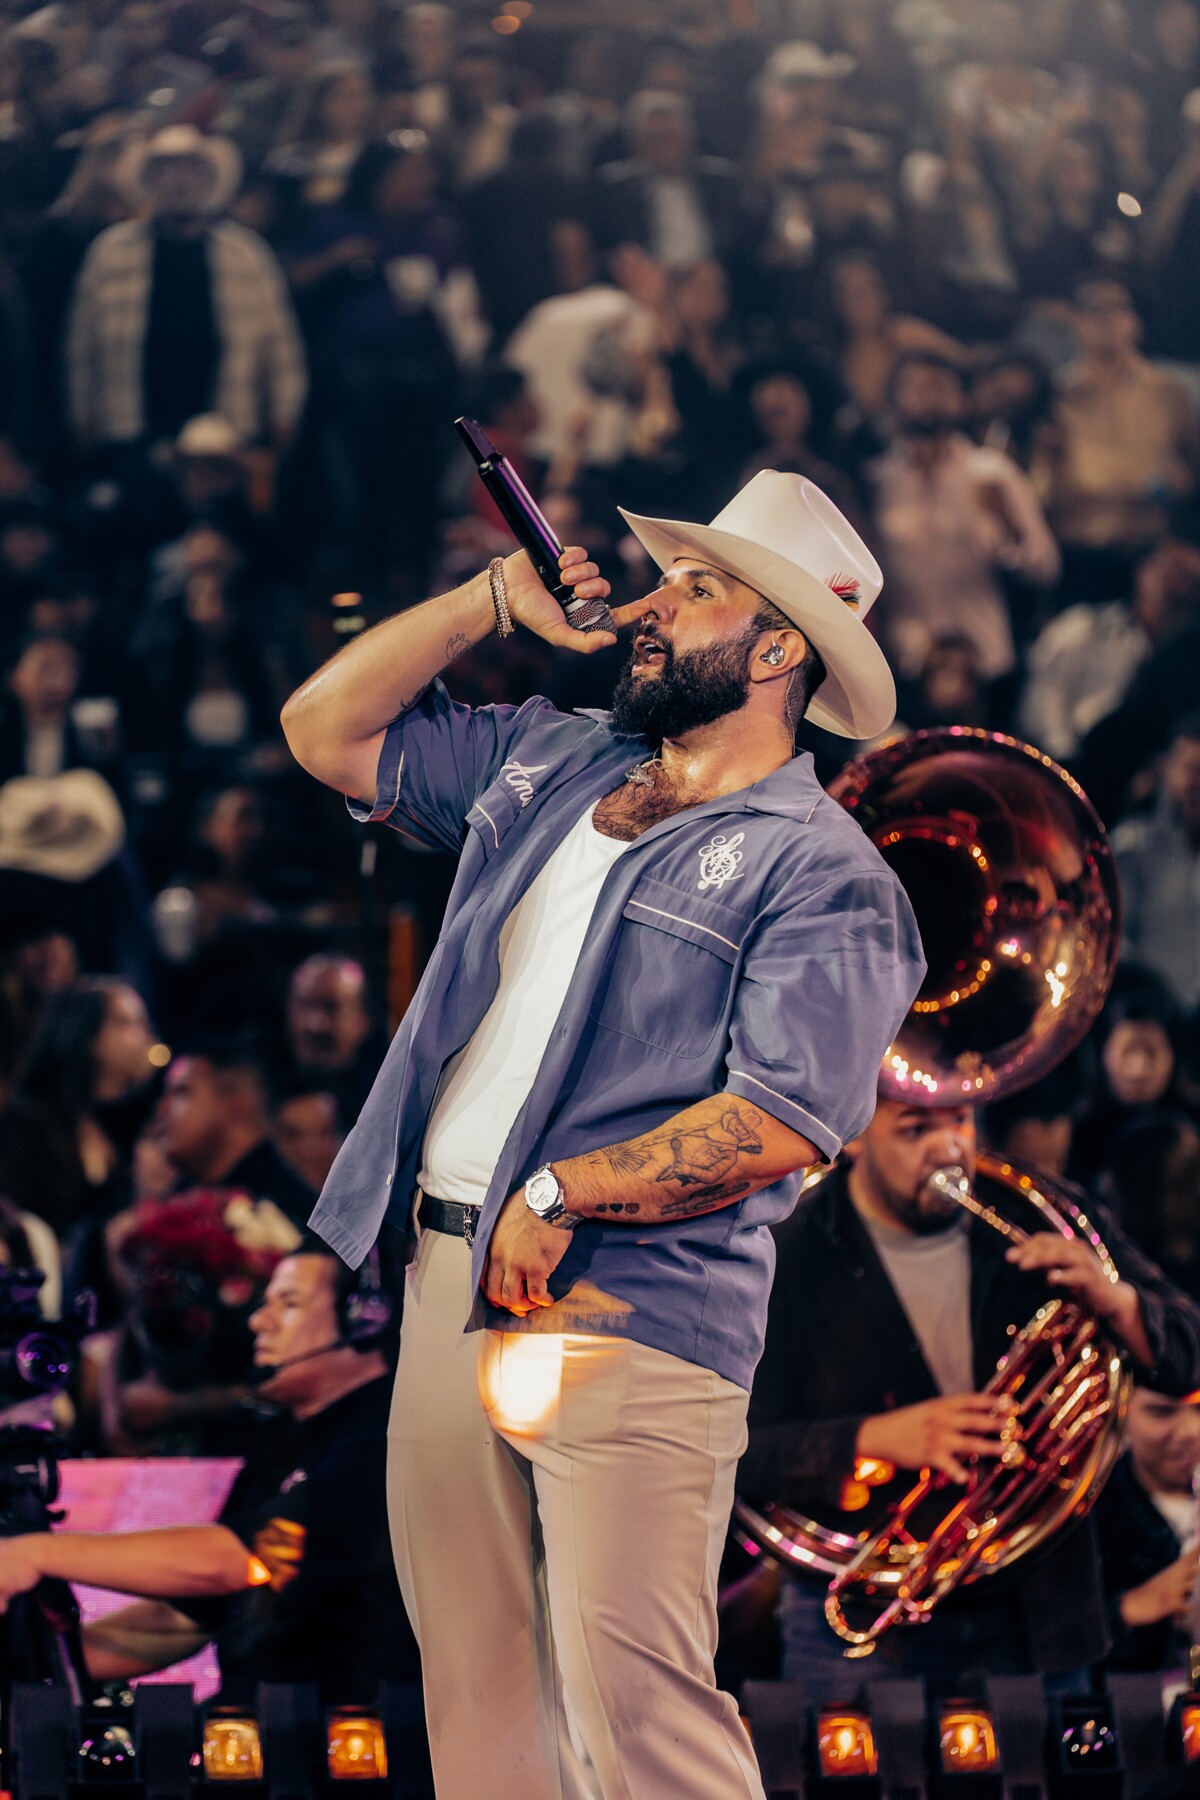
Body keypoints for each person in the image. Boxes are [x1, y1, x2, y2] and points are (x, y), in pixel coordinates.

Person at [281, 469, 926, 1797]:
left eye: (696, 589)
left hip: (632, 1307)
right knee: (481, 1721)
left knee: (640, 1722)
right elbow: (324, 729)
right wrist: (489, 600)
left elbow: (782, 1118)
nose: (650, 605)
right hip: (445, 1281)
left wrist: (563, 1193)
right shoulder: (555, 755)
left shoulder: (824, 868)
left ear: (776, 647)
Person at [739, 1092, 1200, 1694]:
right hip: (867, 1624)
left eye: (958, 1119)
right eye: (914, 1129)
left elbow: (1188, 1350)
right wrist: (872, 1440)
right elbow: (734, 1452)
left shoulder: (1038, 1210)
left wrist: (1118, 1301)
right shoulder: (784, 1251)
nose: (949, 1147)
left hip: (1042, 1611)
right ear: (853, 1135)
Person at [0, 1246, 419, 1701]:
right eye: (265, 1302)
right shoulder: (286, 1436)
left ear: (367, 1319)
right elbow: (177, 1622)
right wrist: (34, 1659)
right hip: (263, 1735)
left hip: (351, 1742)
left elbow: (237, 1562)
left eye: (289, 1303)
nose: (260, 1320)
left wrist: (35, 1554)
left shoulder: (381, 1438)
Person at [65, 124, 306, 536]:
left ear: (209, 177)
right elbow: (81, 344)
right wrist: (83, 413)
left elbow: (279, 343)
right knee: (139, 532)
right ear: (149, 178)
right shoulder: (110, 252)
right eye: (166, 169)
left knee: (225, 538)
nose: (179, 181)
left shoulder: (245, 252)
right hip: (134, 425)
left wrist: (282, 415)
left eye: (190, 168)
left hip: (227, 425)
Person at [867, 350, 1060, 688]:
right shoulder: (877, 479)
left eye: (939, 386)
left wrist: (1006, 535)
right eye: (914, 386)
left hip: (984, 656)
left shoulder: (992, 472)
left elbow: (1046, 569)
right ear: (895, 398)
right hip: (905, 657)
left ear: (961, 400)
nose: (927, 397)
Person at [1048, 277, 1200, 603]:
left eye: (1116, 308)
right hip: (1082, 552)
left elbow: (1193, 467)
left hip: (1154, 551)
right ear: (1076, 323)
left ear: (1136, 322)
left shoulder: (1172, 393)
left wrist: (1181, 483)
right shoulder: (1057, 396)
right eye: (1093, 310)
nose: (1106, 319)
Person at [1094, 1387, 1200, 1672]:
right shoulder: (1088, 1515)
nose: (1191, 1430)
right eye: (1162, 1411)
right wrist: (1128, 1610)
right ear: (1122, 1410)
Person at [157, 1042, 317, 1227]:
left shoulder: (288, 1217)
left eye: (182, 1093)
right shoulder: (177, 1198)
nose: (162, 1110)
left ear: (236, 1106)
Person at [1112, 714, 1200, 1010]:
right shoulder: (1133, 846)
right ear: (1166, 768)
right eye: (1187, 767)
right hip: (1152, 1021)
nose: (1194, 782)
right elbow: (1116, 946)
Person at [284, 954, 383, 1121]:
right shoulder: (260, 1096)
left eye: (331, 1008)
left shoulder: (386, 1100)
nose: (315, 1025)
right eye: (304, 1006)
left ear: (364, 1019)